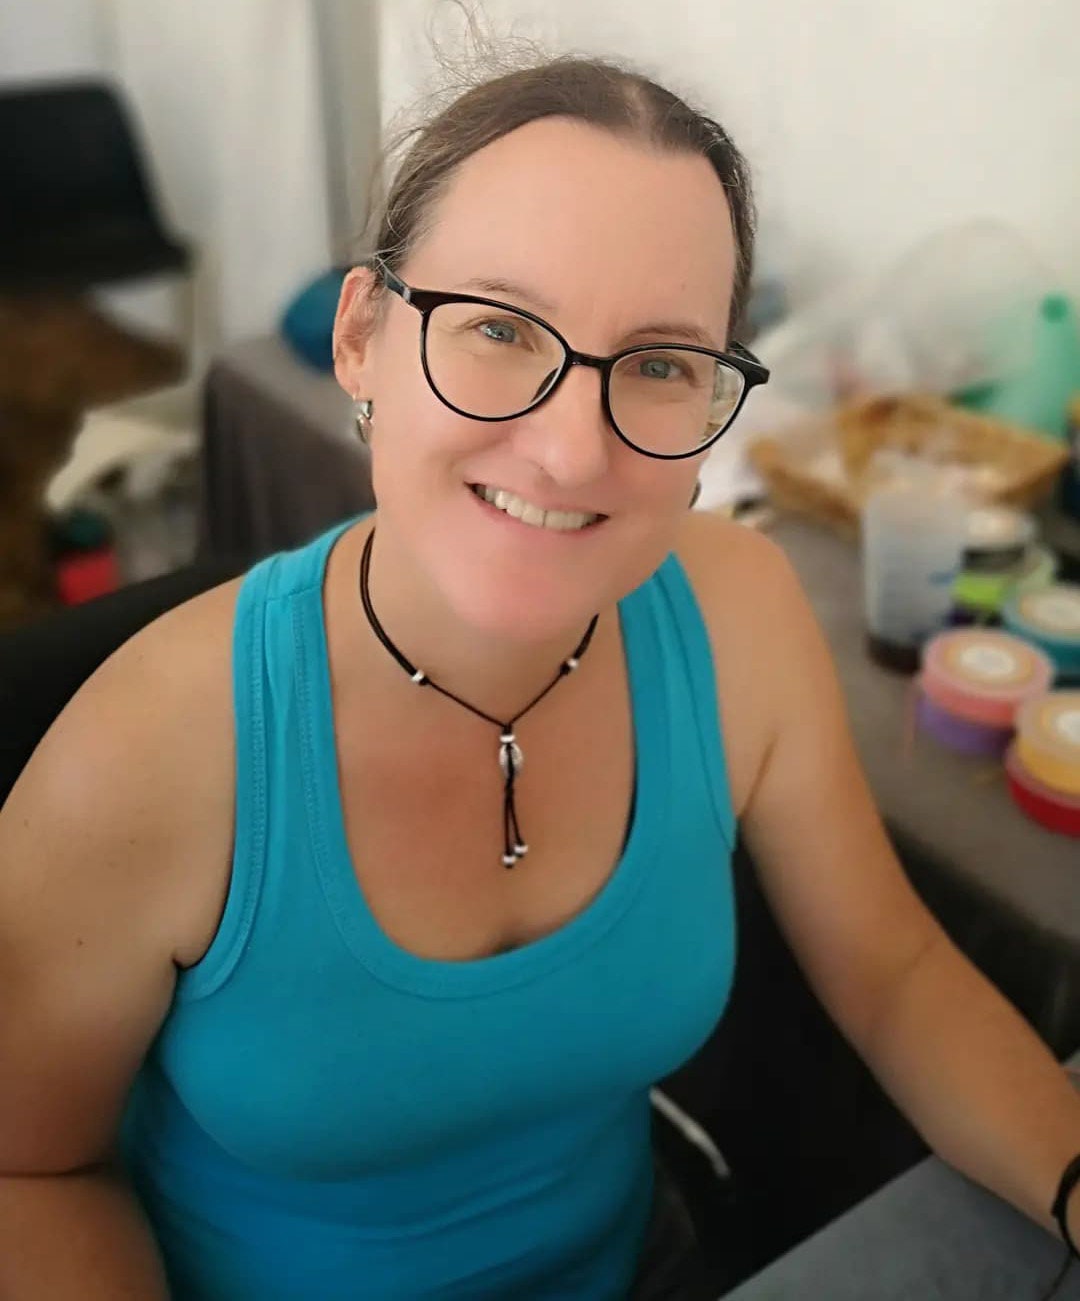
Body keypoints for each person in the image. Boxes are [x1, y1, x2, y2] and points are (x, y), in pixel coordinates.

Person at [1, 51, 1078, 1301]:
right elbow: (28, 1167)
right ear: (361, 338)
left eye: (662, 362)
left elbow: (896, 975)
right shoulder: (149, 751)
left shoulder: (737, 616)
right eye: (501, 329)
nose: (571, 449)